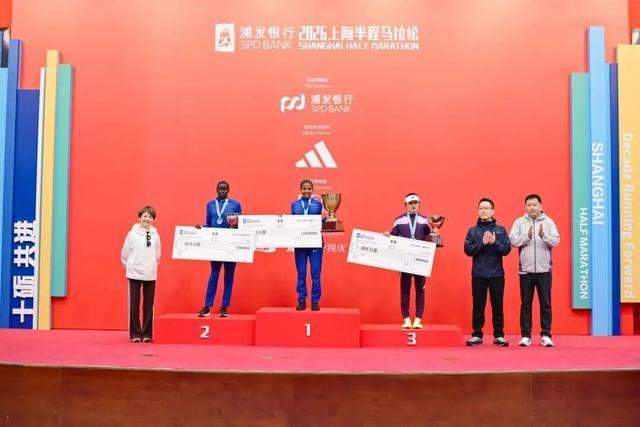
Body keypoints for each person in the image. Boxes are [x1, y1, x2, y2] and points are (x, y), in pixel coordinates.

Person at [509, 194, 560, 347]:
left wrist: (544, 236)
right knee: (526, 304)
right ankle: (526, 336)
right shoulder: (519, 222)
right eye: (529, 205)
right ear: (525, 207)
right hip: (526, 271)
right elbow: (512, 241)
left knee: (546, 304)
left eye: (535, 205)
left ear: (540, 206)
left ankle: (546, 335)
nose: (532, 208)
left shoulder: (549, 222)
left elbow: (556, 241)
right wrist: (526, 237)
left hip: (544, 270)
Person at [464, 198, 511, 347]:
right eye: (481, 208)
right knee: (478, 306)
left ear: (492, 211)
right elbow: (467, 250)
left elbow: (507, 249)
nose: (483, 210)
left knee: (497, 306)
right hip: (479, 274)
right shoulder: (472, 231)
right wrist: (482, 244)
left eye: (486, 208)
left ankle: (499, 335)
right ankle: (477, 335)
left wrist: (495, 243)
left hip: (497, 274)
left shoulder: (501, 230)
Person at [386, 193, 432, 329]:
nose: (413, 205)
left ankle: (418, 319)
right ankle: (406, 318)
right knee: (405, 290)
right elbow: (393, 237)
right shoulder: (399, 220)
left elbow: (430, 239)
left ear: (419, 204)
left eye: (415, 203)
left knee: (420, 290)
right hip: (404, 260)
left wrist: (435, 235)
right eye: (410, 203)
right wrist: (387, 236)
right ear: (405, 205)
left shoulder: (425, 220)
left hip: (420, 260)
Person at [197, 181, 242, 318]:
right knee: (214, 275)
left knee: (229, 277)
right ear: (216, 189)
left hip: (230, 245)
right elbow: (209, 224)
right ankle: (207, 306)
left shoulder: (236, 204)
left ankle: (224, 307)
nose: (222, 191)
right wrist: (201, 228)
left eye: (225, 189)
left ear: (229, 190)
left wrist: (236, 227)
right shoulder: (210, 204)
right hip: (216, 246)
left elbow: (240, 224)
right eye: (220, 189)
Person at [121, 206, 161, 343]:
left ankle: (147, 333)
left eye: (150, 217)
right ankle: (135, 334)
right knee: (134, 303)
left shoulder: (156, 235)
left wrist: (151, 266)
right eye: (144, 216)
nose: (147, 219)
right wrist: (131, 266)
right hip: (134, 273)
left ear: (153, 219)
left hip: (150, 273)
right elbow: (125, 254)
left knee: (149, 305)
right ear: (139, 218)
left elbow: (157, 255)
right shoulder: (132, 234)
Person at [291, 179, 324, 311]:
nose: (306, 191)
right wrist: (281, 220)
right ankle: (302, 300)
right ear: (300, 190)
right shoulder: (294, 204)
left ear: (312, 190)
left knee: (315, 274)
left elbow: (321, 221)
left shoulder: (318, 204)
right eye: (304, 189)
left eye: (309, 189)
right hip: (300, 244)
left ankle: (315, 301)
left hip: (315, 244)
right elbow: (291, 222)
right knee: (301, 274)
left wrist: (329, 219)